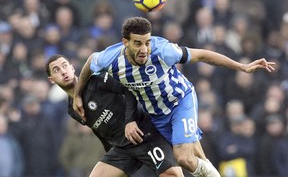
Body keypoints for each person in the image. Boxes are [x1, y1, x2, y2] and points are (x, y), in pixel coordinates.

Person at [73, 17, 276, 177]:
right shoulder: (111, 58)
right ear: (125, 42)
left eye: (147, 42)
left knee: (183, 158)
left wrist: (242, 67)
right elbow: (90, 63)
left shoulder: (163, 50)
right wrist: (77, 94)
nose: (144, 49)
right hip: (157, 115)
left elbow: (202, 55)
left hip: (181, 102)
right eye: (137, 43)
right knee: (198, 159)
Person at [45, 54, 184, 177]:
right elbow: (98, 129)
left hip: (143, 134)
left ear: (72, 68)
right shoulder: (72, 109)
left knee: (172, 174)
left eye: (64, 66)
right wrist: (109, 152)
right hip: (122, 149)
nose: (63, 72)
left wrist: (130, 121)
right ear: (51, 79)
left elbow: (128, 88)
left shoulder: (96, 80)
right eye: (56, 70)